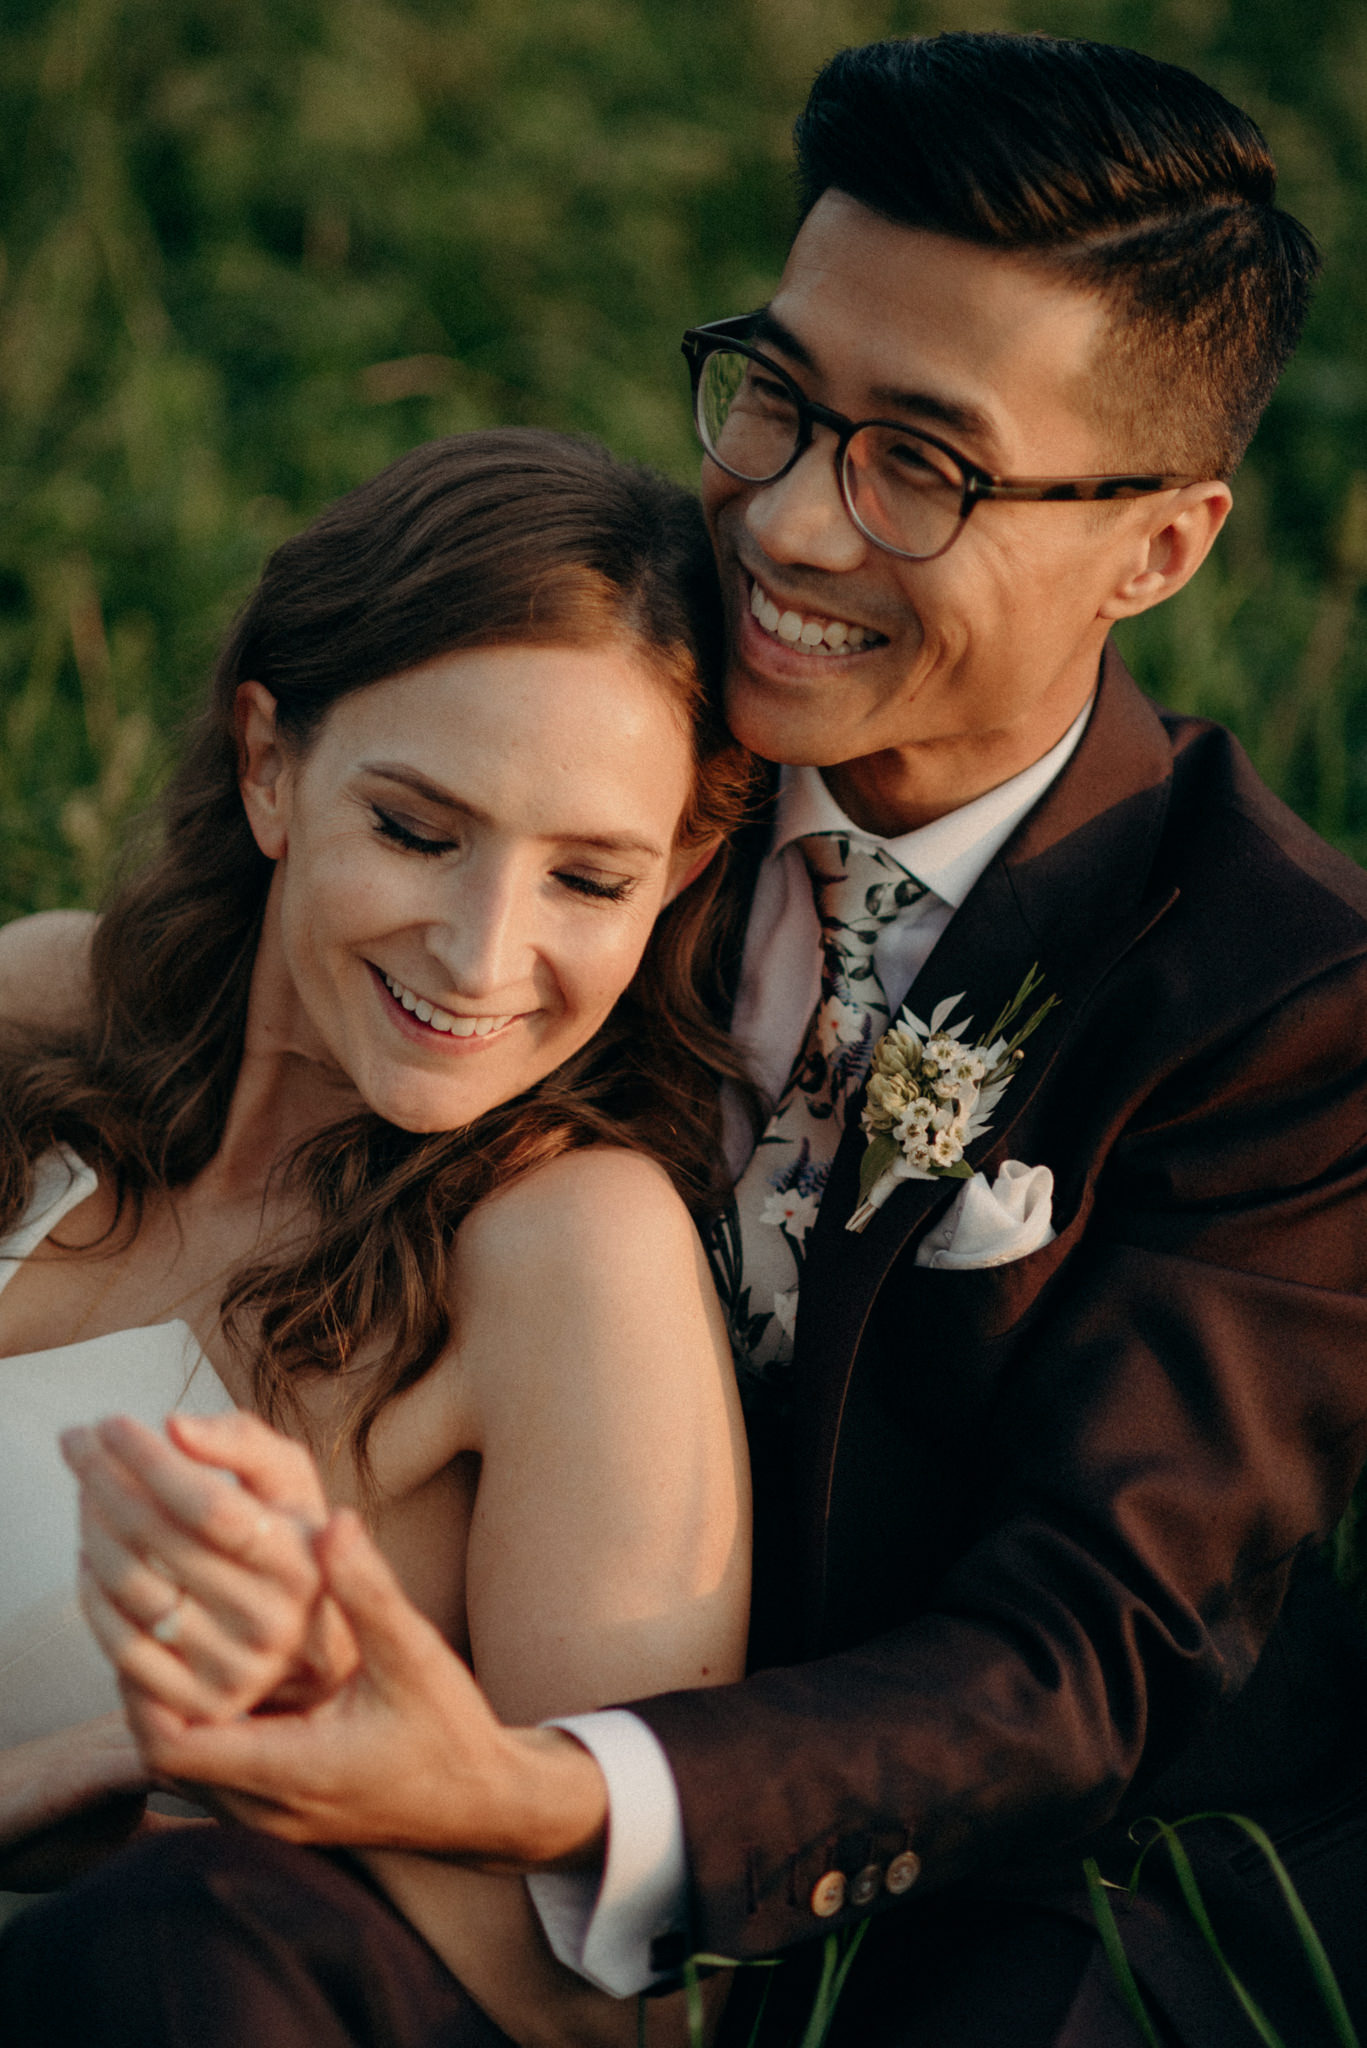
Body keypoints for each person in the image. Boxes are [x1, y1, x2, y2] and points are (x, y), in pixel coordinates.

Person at [5, 26, 1367, 2048]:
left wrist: (525, 1787)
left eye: (926, 462)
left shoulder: (1278, 1001)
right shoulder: (610, 730)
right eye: (782, 402)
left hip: (954, 1924)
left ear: (1162, 543)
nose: (797, 527)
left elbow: (1077, 1658)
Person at [0, 429, 757, 2044]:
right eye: (418, 830)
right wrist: (49, 1772)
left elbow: (615, 2005)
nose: (485, 956)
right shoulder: (43, 1006)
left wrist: (267, 1753)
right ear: (268, 761)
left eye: (589, 878)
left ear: (685, 863)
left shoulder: (568, 1255)